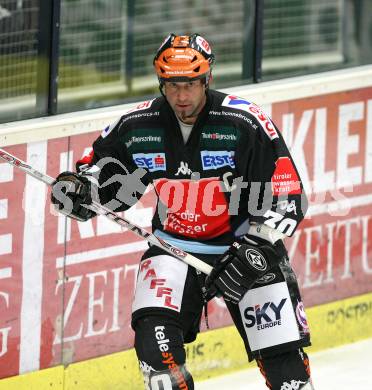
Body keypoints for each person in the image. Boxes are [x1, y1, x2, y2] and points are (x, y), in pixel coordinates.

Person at [51, 33, 314, 390]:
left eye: (190, 83)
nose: (181, 96)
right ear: (161, 83)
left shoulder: (244, 122)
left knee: (290, 377)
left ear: (208, 78)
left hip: (245, 250)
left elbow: (288, 194)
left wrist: (258, 248)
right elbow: (107, 190)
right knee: (160, 369)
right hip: (174, 251)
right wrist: (78, 192)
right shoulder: (137, 127)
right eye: (172, 85)